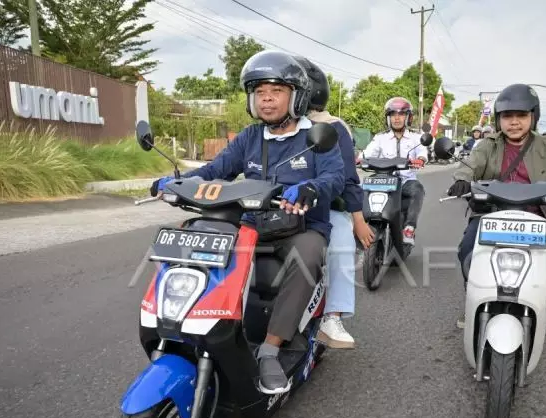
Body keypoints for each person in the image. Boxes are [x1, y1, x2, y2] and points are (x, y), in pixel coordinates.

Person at [150, 50, 345, 394]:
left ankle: (270, 348)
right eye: (260, 93)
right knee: (192, 238)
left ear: (296, 96)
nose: (267, 100)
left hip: (298, 228)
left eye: (276, 91)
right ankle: (192, 327)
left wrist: (311, 188)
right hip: (252, 225)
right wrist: (176, 182)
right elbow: (214, 171)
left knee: (309, 253)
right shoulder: (250, 138)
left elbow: (335, 177)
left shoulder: (316, 136)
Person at [447, 83, 546, 293]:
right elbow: (469, 165)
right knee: (468, 249)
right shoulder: (487, 144)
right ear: (498, 119)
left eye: (521, 115)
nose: (514, 122)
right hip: (491, 214)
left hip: (537, 215)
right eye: (507, 116)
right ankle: (473, 295)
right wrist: (462, 180)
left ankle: (537, 298)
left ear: (533, 116)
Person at [295, 55, 370, 349]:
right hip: (279, 207)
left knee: (340, 240)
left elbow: (349, 178)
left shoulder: (332, 126)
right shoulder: (276, 127)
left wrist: (358, 220)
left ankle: (332, 315)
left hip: (327, 208)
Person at [362, 97, 428, 245]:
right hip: (384, 181)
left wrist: (421, 159)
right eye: (393, 114)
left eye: (401, 114)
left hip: (405, 181)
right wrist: (360, 159)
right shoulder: (380, 138)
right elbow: (367, 154)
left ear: (408, 117)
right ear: (388, 118)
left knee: (417, 189)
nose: (396, 118)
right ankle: (360, 226)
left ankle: (409, 228)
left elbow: (422, 152)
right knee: (360, 189)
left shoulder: (416, 138)